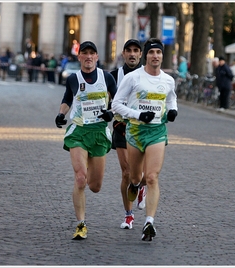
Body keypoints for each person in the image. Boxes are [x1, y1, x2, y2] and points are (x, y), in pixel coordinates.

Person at [112, 37, 178, 241]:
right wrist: (138, 115)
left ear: (162, 56)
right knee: (135, 177)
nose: (155, 56)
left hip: (157, 131)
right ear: (146, 56)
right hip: (135, 132)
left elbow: (171, 97)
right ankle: (134, 186)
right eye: (151, 52)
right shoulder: (133, 78)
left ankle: (149, 222)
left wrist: (173, 110)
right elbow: (116, 105)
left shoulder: (168, 79)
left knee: (151, 177)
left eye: (158, 52)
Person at [54, 41, 117, 240]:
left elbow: (118, 101)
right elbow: (67, 99)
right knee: (80, 178)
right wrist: (61, 114)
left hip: (98, 132)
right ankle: (81, 224)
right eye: (84, 53)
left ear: (97, 57)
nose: (88, 57)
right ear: (79, 56)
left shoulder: (106, 78)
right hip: (79, 131)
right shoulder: (73, 78)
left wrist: (111, 113)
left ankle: (90, 168)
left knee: (95, 186)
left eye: (92, 53)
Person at [110, 39, 146, 230]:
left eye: (136, 51)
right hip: (121, 128)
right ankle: (129, 215)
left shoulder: (148, 75)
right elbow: (105, 101)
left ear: (141, 54)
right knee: (126, 173)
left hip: (143, 130)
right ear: (123, 53)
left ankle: (140, 187)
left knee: (144, 175)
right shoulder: (113, 76)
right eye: (129, 51)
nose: (132, 54)